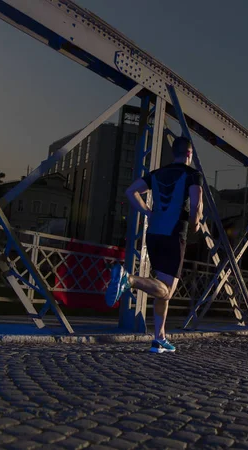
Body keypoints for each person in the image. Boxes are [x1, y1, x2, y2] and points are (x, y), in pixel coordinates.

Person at [105, 136, 203, 353]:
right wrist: (196, 225)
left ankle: (159, 338)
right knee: (166, 291)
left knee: (161, 286)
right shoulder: (192, 175)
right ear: (189, 154)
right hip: (175, 234)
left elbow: (130, 192)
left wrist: (147, 211)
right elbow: (196, 205)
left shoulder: (157, 174)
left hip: (154, 234)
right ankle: (128, 279)